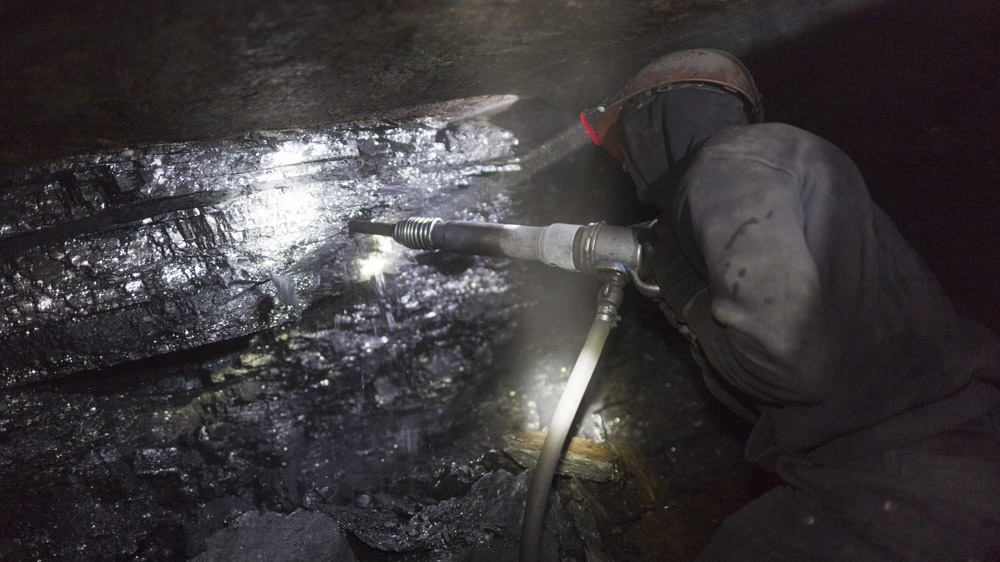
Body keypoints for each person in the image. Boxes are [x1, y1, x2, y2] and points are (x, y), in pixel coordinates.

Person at [580, 49, 1000, 561]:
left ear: (655, 120)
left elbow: (788, 368)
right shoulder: (788, 162)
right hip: (957, 452)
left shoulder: (727, 163)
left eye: (622, 144)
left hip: (902, 479)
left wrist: (687, 295)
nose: (625, 165)